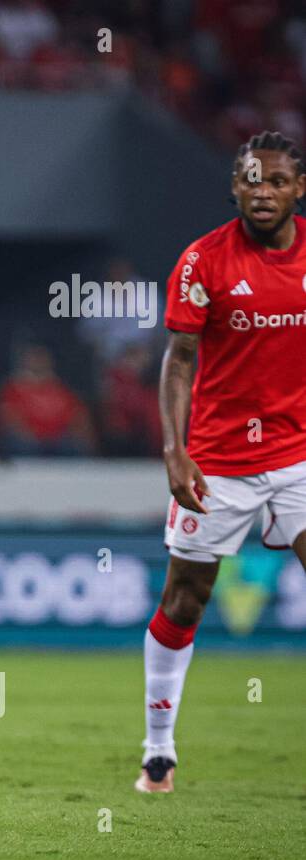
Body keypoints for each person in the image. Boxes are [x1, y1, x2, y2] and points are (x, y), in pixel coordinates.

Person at [141, 130, 306, 793]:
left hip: (299, 451)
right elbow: (179, 359)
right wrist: (175, 450)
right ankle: (158, 748)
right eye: (249, 179)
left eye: (274, 180)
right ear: (234, 186)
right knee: (186, 599)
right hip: (218, 458)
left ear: (298, 188)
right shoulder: (203, 261)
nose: (260, 190)